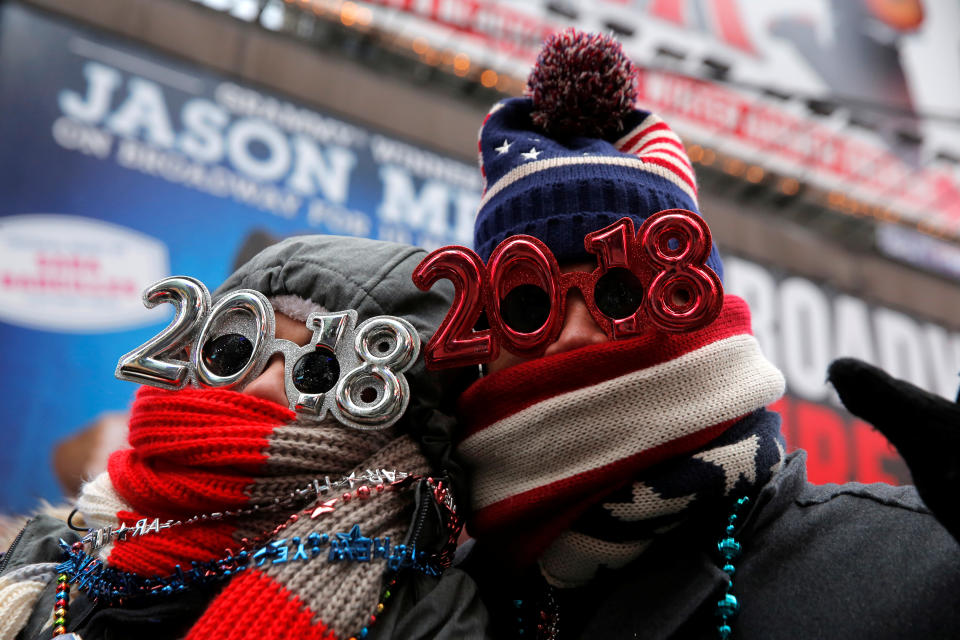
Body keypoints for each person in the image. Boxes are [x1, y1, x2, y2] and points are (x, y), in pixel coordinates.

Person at [437, 29, 960, 639]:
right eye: (527, 303)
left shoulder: (911, 563)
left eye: (621, 294)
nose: (573, 337)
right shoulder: (422, 605)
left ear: (695, 303)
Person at [0, 235, 489, 640]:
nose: (263, 386)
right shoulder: (57, 549)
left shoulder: (426, 618)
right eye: (238, 351)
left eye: (322, 370)